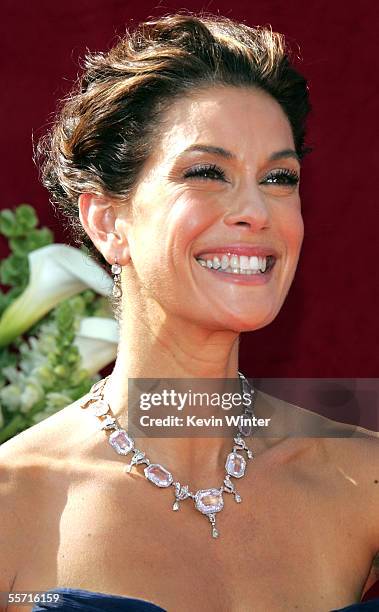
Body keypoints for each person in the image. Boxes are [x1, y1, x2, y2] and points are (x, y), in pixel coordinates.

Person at [0, 12, 378, 612]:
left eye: (280, 178)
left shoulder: (363, 481)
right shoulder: (14, 502)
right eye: (207, 172)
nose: (256, 210)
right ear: (108, 221)